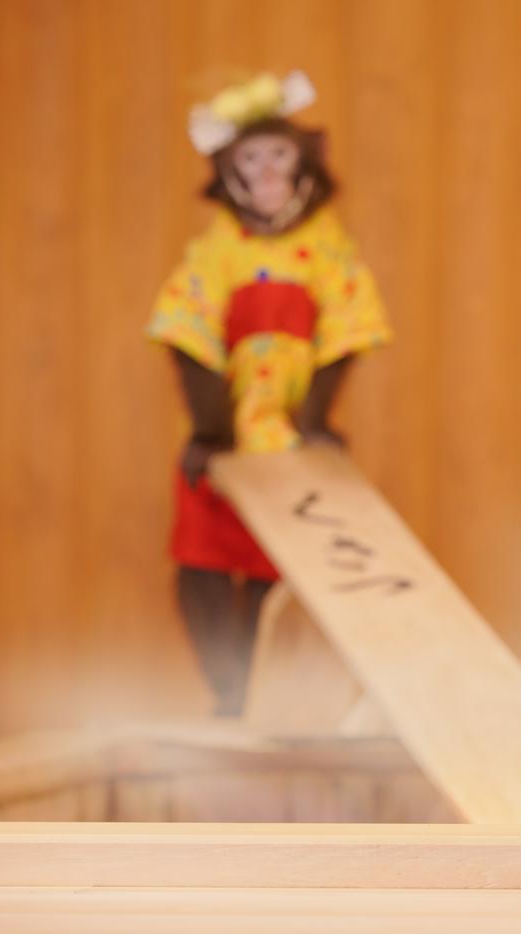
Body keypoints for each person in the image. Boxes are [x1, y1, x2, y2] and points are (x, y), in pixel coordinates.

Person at [146, 71, 392, 714]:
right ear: (226, 170)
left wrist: (315, 420)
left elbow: (346, 333)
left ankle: (251, 698)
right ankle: (225, 689)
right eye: (250, 159)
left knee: (272, 575)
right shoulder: (214, 253)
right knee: (200, 568)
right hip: (220, 442)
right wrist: (209, 430)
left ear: (308, 158)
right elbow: (187, 335)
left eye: (278, 155)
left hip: (286, 447)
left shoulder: (330, 252)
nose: (266, 174)